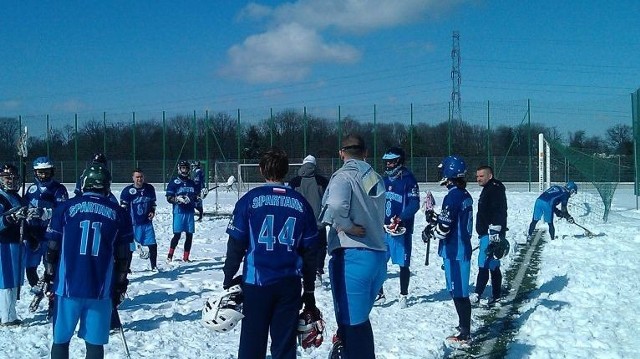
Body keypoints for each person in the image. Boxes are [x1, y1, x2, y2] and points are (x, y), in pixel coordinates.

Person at [222, 148, 319, 359]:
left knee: (252, 343)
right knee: (284, 346)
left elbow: (236, 243)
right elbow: (311, 251)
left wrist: (228, 275)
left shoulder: (250, 200)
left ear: (260, 170)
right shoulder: (301, 204)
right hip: (289, 283)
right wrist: (309, 290)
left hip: (257, 283)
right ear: (286, 171)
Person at [44, 163, 132, 359]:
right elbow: (123, 256)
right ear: (107, 186)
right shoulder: (119, 213)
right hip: (100, 289)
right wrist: (119, 285)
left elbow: (52, 247)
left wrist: (49, 277)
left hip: (67, 288)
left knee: (60, 340)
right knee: (94, 344)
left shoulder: (65, 208)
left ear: (84, 183)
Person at [320, 134, 387, 359]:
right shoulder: (375, 177)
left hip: (352, 255)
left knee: (352, 324)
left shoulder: (343, 176)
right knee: (360, 320)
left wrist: (347, 226)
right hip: (377, 254)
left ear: (341, 153)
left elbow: (337, 205)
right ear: (365, 152)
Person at [424, 155, 473, 346]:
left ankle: (465, 332)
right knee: (457, 291)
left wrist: (431, 232)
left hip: (455, 251)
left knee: (459, 292)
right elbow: (451, 221)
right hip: (459, 249)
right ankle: (463, 327)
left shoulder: (452, 196)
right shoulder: (463, 194)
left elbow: (444, 230)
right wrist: (435, 219)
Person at [24, 156, 69, 313]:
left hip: (51, 235)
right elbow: (24, 207)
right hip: (33, 234)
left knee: (51, 269)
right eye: (40, 173)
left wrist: (45, 212)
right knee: (30, 268)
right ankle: (38, 289)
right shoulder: (31, 189)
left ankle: (52, 300)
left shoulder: (59, 189)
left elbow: (63, 211)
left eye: (46, 172)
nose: (43, 176)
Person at [377, 147, 420, 308]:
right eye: (386, 161)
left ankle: (403, 294)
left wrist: (401, 218)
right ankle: (379, 293)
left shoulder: (409, 179)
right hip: (384, 229)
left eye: (391, 161)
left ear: (399, 161)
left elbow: (414, 203)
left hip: (401, 231)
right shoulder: (384, 180)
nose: (388, 164)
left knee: (403, 263)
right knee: (379, 262)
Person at [288, 154, 329, 285]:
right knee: (320, 247)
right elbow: (329, 200)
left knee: (300, 246)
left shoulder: (294, 182)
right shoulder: (322, 181)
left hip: (299, 222)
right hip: (318, 221)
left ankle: (301, 269)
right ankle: (317, 270)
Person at [472, 165, 507, 306]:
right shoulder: (489, 188)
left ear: (490, 176)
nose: (478, 179)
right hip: (487, 232)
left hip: (491, 233)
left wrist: (495, 231)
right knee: (493, 265)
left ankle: (477, 294)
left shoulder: (495, 189)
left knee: (484, 263)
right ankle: (496, 295)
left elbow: (499, 210)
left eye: (481, 176)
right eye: (477, 176)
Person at [0, 164, 27, 326]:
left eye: (13, 177)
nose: (10, 181)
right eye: (6, 177)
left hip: (17, 242)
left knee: (15, 279)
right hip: (4, 244)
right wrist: (10, 218)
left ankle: (8, 312)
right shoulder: (1, 198)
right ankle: (8, 316)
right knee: (7, 280)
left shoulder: (17, 197)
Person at [120, 168, 158, 271]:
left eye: (141, 177)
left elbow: (153, 204)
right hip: (133, 224)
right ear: (133, 178)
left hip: (147, 223)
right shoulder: (127, 191)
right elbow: (123, 210)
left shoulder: (149, 189)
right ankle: (127, 268)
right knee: (131, 248)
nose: (139, 179)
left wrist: (152, 211)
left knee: (153, 245)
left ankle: (154, 266)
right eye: (137, 177)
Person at [166, 160, 199, 262]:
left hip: (189, 212)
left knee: (189, 235)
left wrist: (201, 195)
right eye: (183, 168)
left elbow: (196, 197)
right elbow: (169, 198)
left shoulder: (191, 183)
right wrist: (177, 199)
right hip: (179, 212)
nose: (184, 170)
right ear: (179, 169)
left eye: (186, 168)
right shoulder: (174, 182)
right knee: (177, 235)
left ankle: (186, 257)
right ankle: (170, 256)